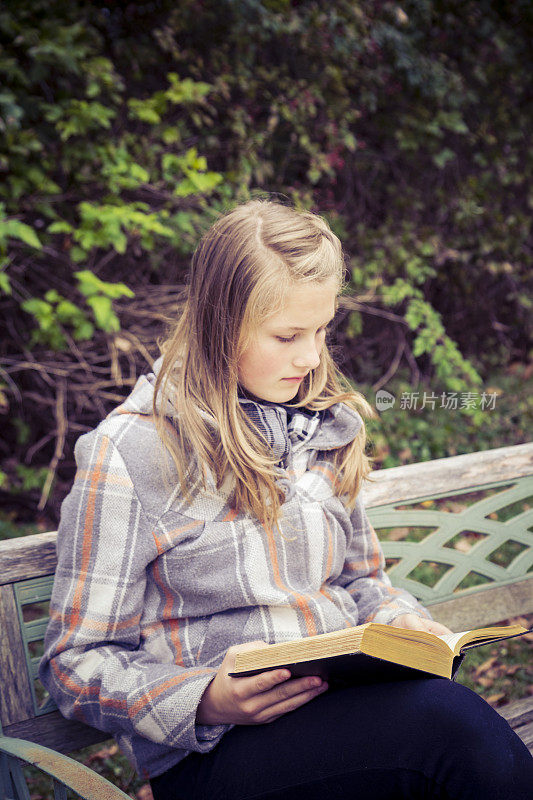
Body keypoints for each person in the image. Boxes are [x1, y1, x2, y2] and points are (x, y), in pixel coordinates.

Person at [40, 200, 532, 799]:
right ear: (220, 327)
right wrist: (207, 700)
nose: (312, 357)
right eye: (288, 335)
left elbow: (361, 581)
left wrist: (398, 621)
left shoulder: (321, 426)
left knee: (450, 724)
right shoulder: (132, 453)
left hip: (341, 711)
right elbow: (75, 661)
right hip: (217, 751)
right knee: (449, 733)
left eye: (322, 330)